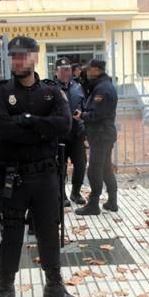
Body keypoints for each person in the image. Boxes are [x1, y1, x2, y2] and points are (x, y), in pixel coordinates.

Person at [0, 35, 78, 297]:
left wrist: (27, 122)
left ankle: (54, 284)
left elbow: (64, 126)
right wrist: (41, 128)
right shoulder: (0, 92)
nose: (18, 61)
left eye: (24, 56)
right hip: (14, 177)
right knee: (11, 233)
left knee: (49, 231)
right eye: (14, 56)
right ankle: (6, 289)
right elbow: (0, 128)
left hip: (46, 176)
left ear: (35, 57)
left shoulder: (50, 91)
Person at [75, 59, 119, 216]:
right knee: (106, 167)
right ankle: (112, 201)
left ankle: (93, 204)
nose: (86, 72)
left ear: (97, 70)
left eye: (89, 70)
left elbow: (98, 114)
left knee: (94, 170)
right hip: (104, 134)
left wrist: (82, 116)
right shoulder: (102, 85)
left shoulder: (102, 89)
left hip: (101, 134)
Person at [55, 57, 87, 205]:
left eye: (68, 69)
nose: (66, 72)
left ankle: (76, 192)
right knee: (61, 166)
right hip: (60, 135)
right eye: (62, 70)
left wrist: (81, 115)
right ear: (56, 71)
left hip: (77, 133)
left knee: (80, 165)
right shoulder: (50, 87)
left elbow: (84, 105)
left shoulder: (77, 87)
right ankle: (61, 196)